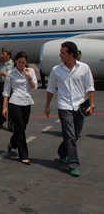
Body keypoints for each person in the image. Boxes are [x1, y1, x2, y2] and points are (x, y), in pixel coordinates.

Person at [45, 41, 95, 177]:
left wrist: (92, 105)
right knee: (70, 136)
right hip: (64, 106)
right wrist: (47, 106)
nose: (60, 55)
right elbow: (50, 89)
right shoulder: (56, 70)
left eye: (63, 52)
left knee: (75, 135)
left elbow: (90, 87)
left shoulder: (84, 68)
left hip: (80, 106)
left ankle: (62, 151)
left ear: (71, 54)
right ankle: (73, 164)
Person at [2, 51, 37, 165]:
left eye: (23, 62)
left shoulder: (30, 71)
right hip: (15, 102)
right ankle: (24, 155)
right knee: (20, 128)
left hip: (27, 101)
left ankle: (13, 142)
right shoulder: (11, 73)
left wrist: (29, 77)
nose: (21, 64)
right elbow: (6, 91)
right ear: (15, 61)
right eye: (19, 62)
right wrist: (4, 107)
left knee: (23, 126)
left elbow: (34, 87)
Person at [0, 47, 14, 129]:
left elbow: (14, 75)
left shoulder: (13, 64)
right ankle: (1, 120)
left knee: (10, 104)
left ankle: (11, 123)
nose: (1, 55)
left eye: (3, 54)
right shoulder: (0, 65)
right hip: (1, 85)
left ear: (9, 55)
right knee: (0, 103)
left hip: (10, 85)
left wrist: (5, 74)